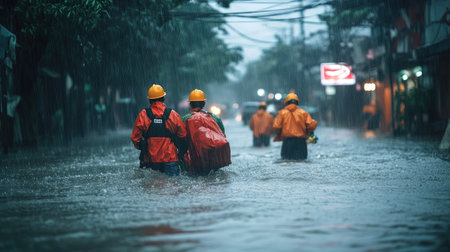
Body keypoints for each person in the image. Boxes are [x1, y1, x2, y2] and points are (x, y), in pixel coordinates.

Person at [130, 84, 187, 176]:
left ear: (149, 100)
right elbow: (183, 136)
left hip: (150, 161)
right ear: (163, 98)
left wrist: (144, 147)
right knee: (173, 188)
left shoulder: (143, 115)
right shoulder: (173, 115)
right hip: (170, 160)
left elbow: (135, 138)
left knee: (152, 187)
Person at [182, 89, 231, 174]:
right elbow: (222, 137)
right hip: (213, 160)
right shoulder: (215, 118)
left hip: (195, 161)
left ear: (190, 104)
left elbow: (181, 141)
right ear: (204, 104)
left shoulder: (185, 119)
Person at [273, 93, 317, 160]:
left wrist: (279, 133)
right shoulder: (304, 113)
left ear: (286, 102)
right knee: (301, 161)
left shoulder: (282, 113)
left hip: (287, 143)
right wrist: (310, 134)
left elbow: (276, 126)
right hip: (301, 143)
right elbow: (311, 125)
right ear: (297, 102)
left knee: (286, 162)